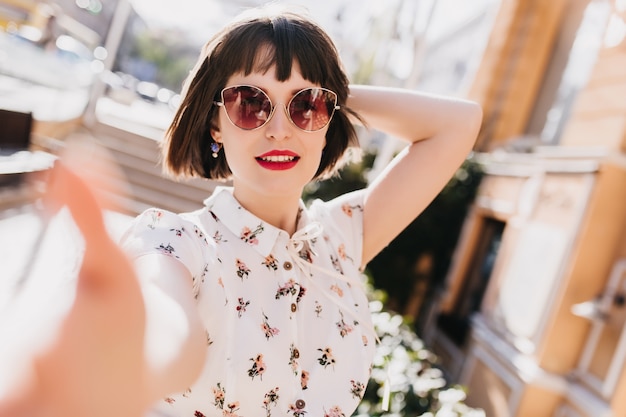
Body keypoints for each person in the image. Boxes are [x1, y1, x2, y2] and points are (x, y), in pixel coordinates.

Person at [0, 5, 482, 417]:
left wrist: (328, 87)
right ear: (214, 123)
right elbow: (167, 330)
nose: (278, 130)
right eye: (251, 103)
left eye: (306, 107)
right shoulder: (176, 244)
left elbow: (458, 123)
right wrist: (132, 356)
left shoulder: (341, 239)